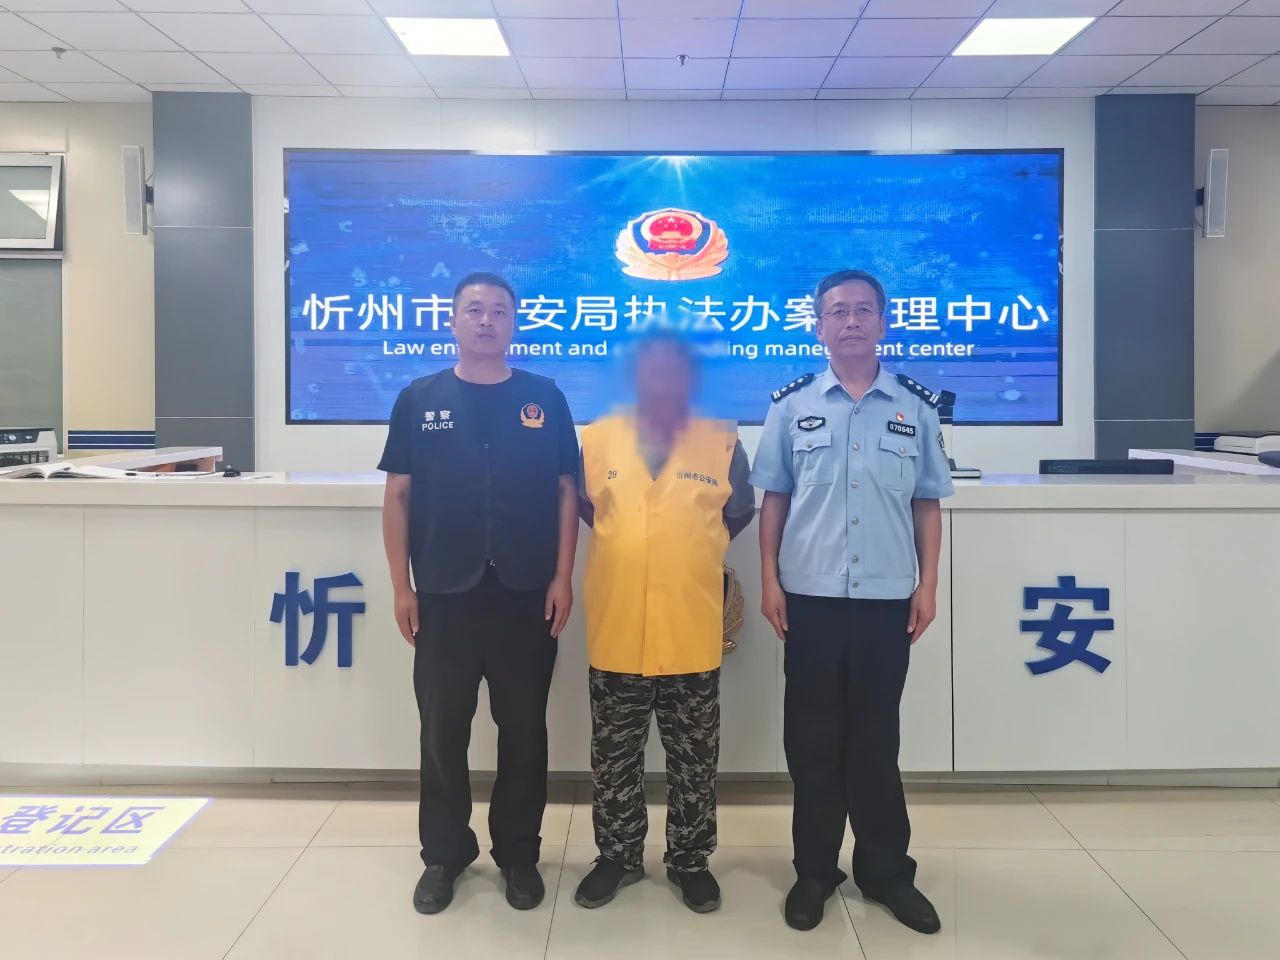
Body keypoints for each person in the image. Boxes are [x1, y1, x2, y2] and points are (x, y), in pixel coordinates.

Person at [750, 269, 954, 936]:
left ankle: (887, 872)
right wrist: (769, 580)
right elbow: (774, 499)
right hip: (809, 599)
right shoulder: (791, 406)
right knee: (811, 743)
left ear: (883, 322)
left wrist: (927, 584)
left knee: (875, 742)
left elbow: (927, 502)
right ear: (819, 327)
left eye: (864, 310)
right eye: (837, 312)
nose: (851, 321)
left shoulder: (915, 407)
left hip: (886, 601)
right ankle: (815, 871)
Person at [378, 272, 580, 916]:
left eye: (498, 310)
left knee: (523, 730)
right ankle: (445, 853)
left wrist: (563, 575)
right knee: (442, 729)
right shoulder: (419, 399)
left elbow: (566, 492)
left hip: (526, 593)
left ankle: (518, 852)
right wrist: (401, 586)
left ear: (515, 322)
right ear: (453, 321)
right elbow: (398, 495)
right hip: (444, 593)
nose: (486, 320)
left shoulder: (544, 398)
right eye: (473, 310)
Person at [572, 332, 755, 914]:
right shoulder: (596, 439)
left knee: (694, 759)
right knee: (614, 758)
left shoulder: (722, 440)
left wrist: (687, 552)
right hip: (618, 627)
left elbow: (738, 512)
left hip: (689, 629)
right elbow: (589, 511)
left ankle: (690, 861)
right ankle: (618, 856)